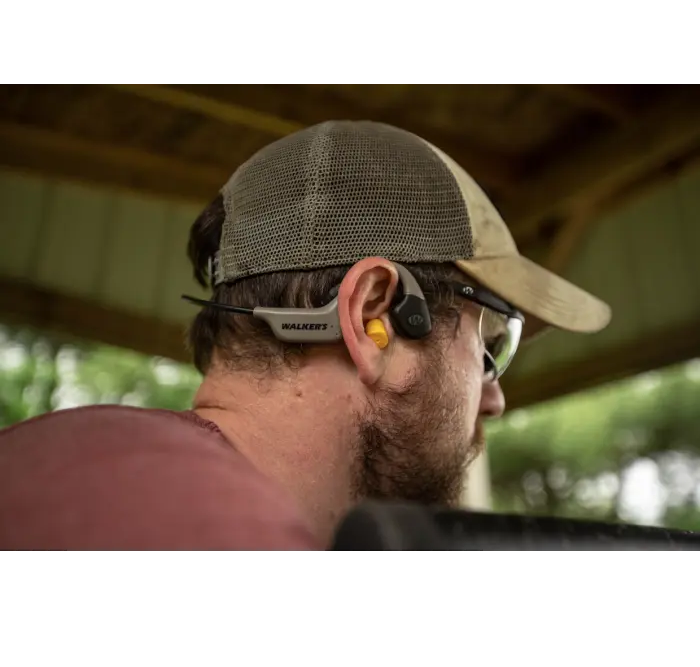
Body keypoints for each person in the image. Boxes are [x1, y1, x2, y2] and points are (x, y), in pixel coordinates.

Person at [0, 120, 611, 550]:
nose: (494, 397)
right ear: (374, 319)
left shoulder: (101, 473)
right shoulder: (170, 517)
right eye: (489, 345)